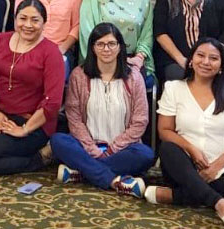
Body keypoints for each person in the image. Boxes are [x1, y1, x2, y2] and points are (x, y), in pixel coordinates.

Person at [147, 39, 224, 226]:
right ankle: (219, 202)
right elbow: (164, 130)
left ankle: (174, 196)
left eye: (213, 58)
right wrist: (191, 149)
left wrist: (215, 168)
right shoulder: (174, 88)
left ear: (221, 66)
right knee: (168, 149)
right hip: (185, 163)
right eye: (200, 55)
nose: (206, 62)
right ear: (191, 60)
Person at [0, 0, 65, 175]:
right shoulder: (2, 39)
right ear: (15, 20)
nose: (28, 25)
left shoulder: (51, 52)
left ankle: (41, 157)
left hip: (31, 121)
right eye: (23, 18)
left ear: (44, 23)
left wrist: (24, 130)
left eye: (35, 20)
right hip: (0, 115)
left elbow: (52, 103)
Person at [51, 23, 154, 197]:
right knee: (58, 141)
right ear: (92, 47)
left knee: (146, 155)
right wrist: (91, 148)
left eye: (111, 44)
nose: (106, 49)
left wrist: (113, 148)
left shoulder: (134, 77)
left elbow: (140, 120)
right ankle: (115, 181)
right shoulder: (79, 75)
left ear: (120, 47)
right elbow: (74, 118)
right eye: (100, 44)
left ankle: (82, 172)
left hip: (122, 149)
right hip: (87, 146)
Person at [78, 0, 153, 80]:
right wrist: (103, 56)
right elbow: (86, 30)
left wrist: (139, 57)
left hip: (132, 61)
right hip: (100, 58)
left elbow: (147, 33)